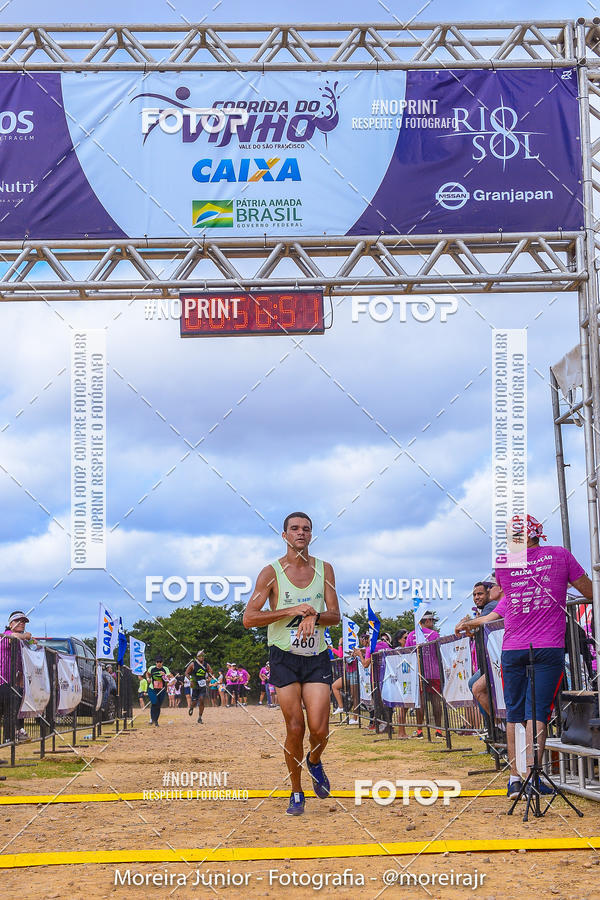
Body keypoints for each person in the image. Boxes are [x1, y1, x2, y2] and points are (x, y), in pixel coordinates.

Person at [458, 514, 593, 800]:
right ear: (537, 534)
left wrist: (477, 622)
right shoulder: (560, 555)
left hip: (513, 647)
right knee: (538, 712)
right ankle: (534, 775)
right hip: (547, 646)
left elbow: (509, 601)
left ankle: (514, 779)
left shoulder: (504, 564)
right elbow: (590, 591)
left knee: (514, 713)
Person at [243, 511, 341, 816]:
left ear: (311, 536)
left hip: (316, 657)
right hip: (284, 658)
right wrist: (290, 611)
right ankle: (296, 792)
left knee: (320, 730)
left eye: (306, 529)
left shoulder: (325, 569)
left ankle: (314, 761)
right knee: (295, 727)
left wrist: (313, 615)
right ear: (284, 536)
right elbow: (249, 618)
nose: (301, 533)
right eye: (295, 529)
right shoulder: (271, 573)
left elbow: (335, 615)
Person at [0, 610, 38, 742]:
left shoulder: (20, 642)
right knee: (8, 714)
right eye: (18, 621)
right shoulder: (6, 636)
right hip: (2, 682)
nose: (21, 623)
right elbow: (15, 637)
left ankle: (9, 740)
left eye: (23, 622)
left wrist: (20, 680)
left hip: (10, 684)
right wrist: (26, 636)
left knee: (11, 714)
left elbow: (21, 665)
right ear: (10, 624)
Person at [405, 611, 443, 738]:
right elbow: (440, 653)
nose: (432, 623)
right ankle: (438, 731)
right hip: (434, 672)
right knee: (436, 701)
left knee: (419, 702)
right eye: (432, 621)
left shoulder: (411, 635)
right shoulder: (435, 634)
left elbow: (407, 653)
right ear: (426, 621)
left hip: (417, 672)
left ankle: (420, 731)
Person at [185, 650, 212, 723]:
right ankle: (191, 707)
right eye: (200, 656)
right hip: (195, 685)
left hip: (202, 685)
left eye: (203, 656)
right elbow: (186, 673)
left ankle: (200, 717)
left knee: (201, 699)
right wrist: (190, 680)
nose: (202, 657)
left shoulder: (206, 665)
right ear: (197, 657)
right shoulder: (193, 664)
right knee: (194, 701)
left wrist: (209, 678)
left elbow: (210, 673)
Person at [145, 655, 170, 727]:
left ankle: (156, 720)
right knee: (154, 702)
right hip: (152, 689)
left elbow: (168, 679)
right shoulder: (152, 668)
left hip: (161, 689)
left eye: (160, 662)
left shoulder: (165, 669)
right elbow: (147, 673)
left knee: (158, 705)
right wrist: (148, 679)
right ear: (155, 662)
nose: (159, 663)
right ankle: (152, 718)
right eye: (157, 662)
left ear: (162, 662)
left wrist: (164, 675)